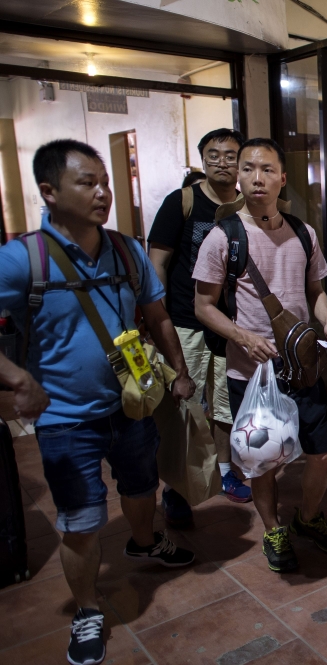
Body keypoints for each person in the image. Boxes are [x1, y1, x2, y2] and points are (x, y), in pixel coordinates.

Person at [0, 139, 197, 665]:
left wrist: (178, 372)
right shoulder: (22, 259)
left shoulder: (127, 251)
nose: (103, 192)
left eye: (104, 181)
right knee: (82, 521)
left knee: (140, 487)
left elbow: (155, 316)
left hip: (133, 405)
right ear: (49, 191)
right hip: (66, 420)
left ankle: (143, 541)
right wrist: (18, 379)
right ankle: (88, 609)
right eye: (87, 182)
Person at [193, 138, 327, 573]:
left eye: (265, 169)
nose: (256, 178)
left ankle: (308, 517)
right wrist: (242, 336)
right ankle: (272, 529)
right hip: (252, 372)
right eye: (247, 169)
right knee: (262, 462)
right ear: (238, 177)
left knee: (321, 454)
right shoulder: (223, 237)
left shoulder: (303, 232)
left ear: (282, 177)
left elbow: (315, 289)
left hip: (303, 367)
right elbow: (202, 306)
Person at [148, 128, 251, 519]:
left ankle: (225, 472)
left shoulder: (248, 206)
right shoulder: (183, 201)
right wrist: (157, 316)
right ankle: (177, 487)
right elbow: (157, 261)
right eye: (214, 155)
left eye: (230, 155)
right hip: (185, 321)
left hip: (230, 323)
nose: (222, 162)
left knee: (225, 406)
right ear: (202, 159)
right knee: (184, 407)